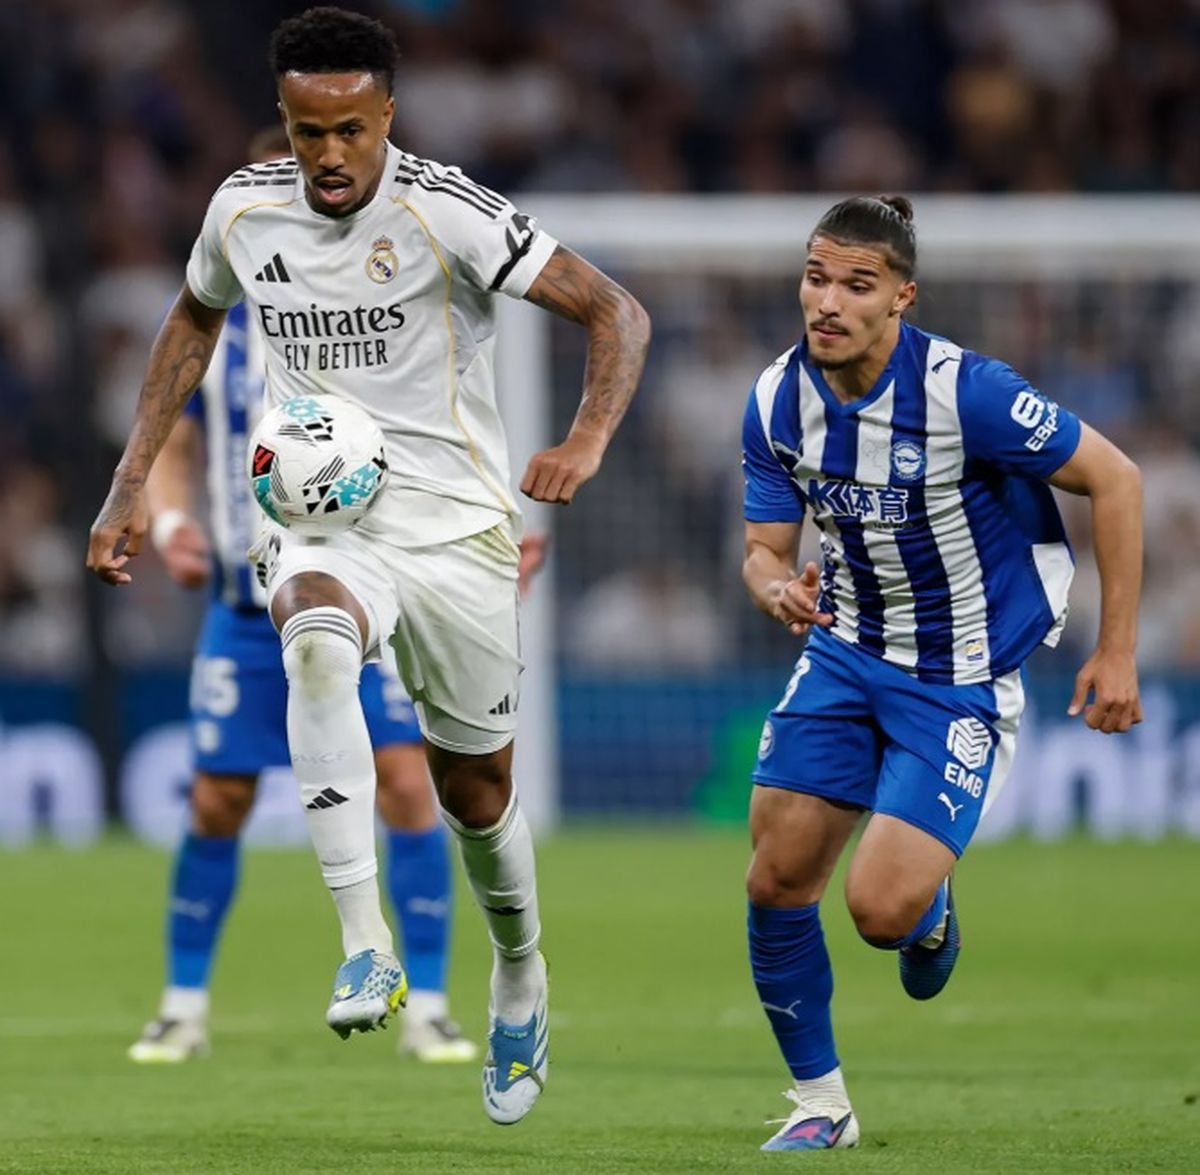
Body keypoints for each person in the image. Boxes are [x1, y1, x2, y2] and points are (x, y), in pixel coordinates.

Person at [87, 6, 650, 1126]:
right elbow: (190, 327)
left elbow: (615, 311)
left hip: (456, 532)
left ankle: (521, 973)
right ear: (283, 124)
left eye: (348, 129)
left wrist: (583, 441)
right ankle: (364, 944)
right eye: (306, 132)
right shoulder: (243, 210)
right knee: (312, 635)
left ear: (386, 113)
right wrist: (127, 485)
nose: (329, 155)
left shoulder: (444, 210)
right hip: (320, 512)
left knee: (472, 792)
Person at [124, 125, 545, 1068]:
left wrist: (488, 534)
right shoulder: (223, 334)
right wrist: (167, 520)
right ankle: (183, 1003)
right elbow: (175, 446)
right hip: (249, 596)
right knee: (217, 797)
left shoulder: (375, 316)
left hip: (380, 573)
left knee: (413, 784)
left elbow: (441, 428)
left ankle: (429, 996)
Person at [740, 195, 1142, 1151]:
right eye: (815, 276)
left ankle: (927, 913)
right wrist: (771, 587)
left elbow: (1116, 478)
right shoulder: (774, 399)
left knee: (880, 910)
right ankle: (820, 1106)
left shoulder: (971, 393)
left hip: (958, 675)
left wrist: (1116, 647)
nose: (826, 301)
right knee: (775, 877)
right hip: (842, 654)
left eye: (856, 284)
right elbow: (762, 547)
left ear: (902, 298)